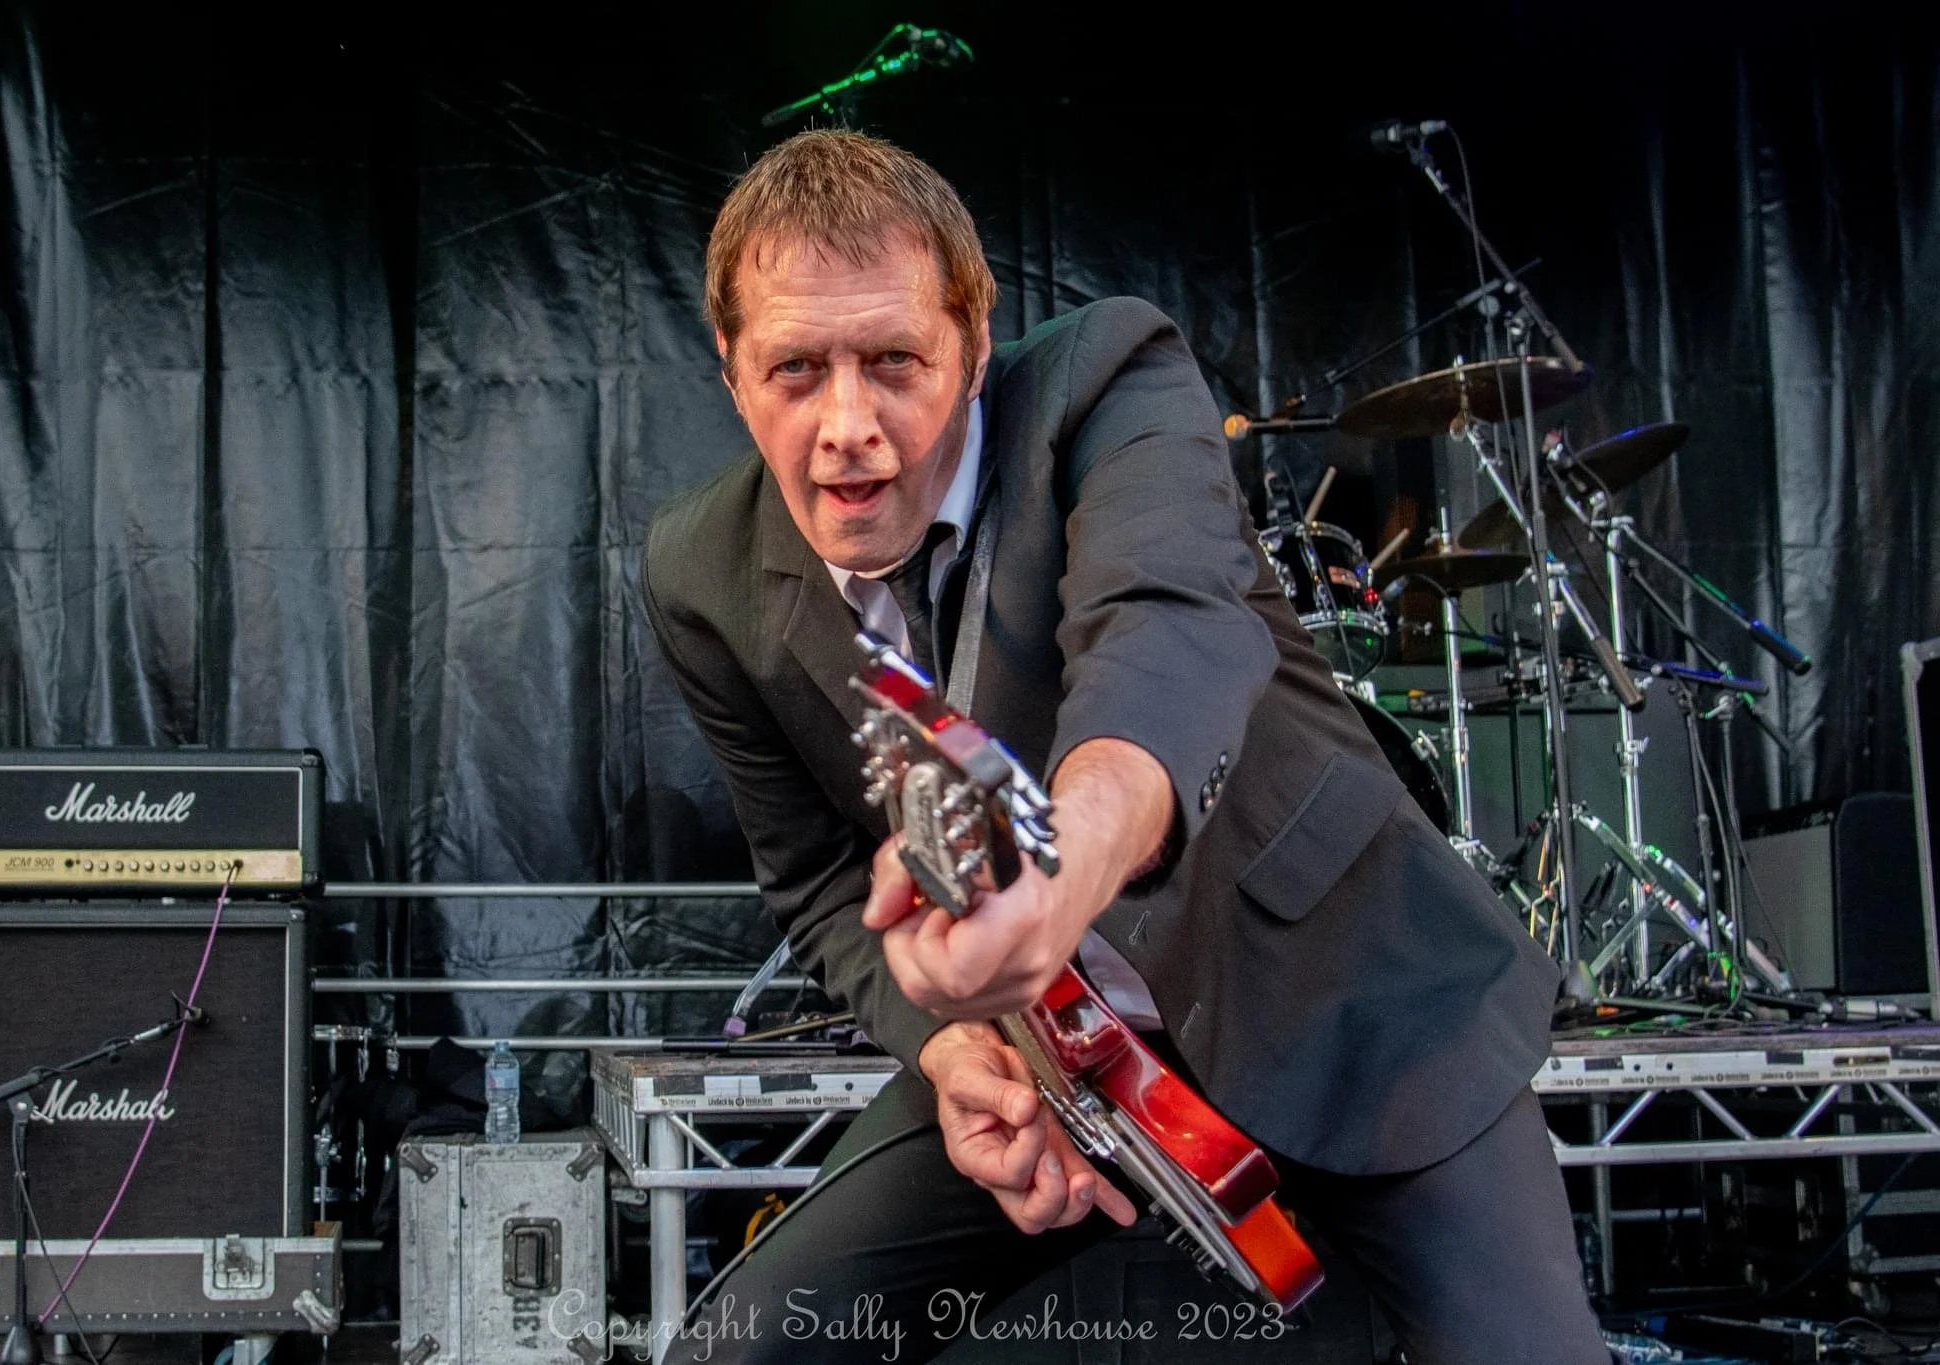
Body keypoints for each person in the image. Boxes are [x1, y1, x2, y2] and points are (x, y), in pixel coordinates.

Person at [641, 128, 1609, 1364]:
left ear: (975, 346)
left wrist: (1059, 871)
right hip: (1047, 1063)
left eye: (895, 361)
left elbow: (1162, 634)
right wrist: (948, 1051)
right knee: (741, 1350)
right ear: (728, 369)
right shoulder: (698, 571)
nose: (847, 426)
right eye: (793, 370)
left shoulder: (1111, 379)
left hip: (1349, 993)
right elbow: (820, 883)